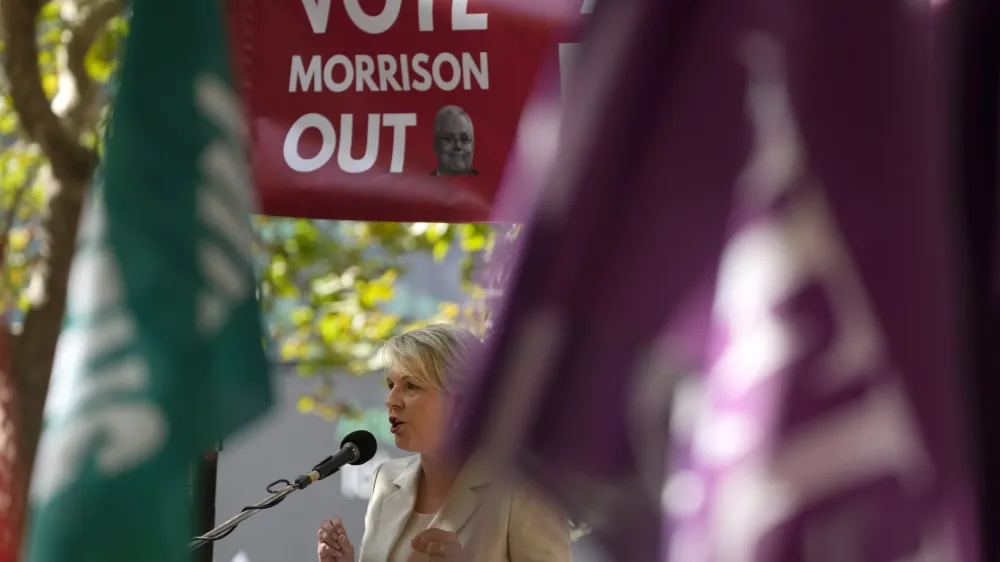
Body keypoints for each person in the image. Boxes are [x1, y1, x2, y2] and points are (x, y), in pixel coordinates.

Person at [317, 324, 571, 562]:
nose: (391, 400)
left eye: (411, 386)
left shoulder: (526, 490)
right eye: (390, 385)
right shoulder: (386, 479)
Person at [431, 106, 479, 176]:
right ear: (436, 146)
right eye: (448, 139)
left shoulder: (490, 185)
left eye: (464, 139)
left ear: (473, 145)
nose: (458, 145)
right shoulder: (420, 185)